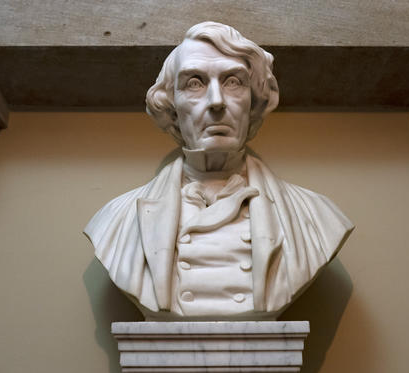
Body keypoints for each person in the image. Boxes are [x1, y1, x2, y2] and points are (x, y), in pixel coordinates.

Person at [84, 21, 353, 320]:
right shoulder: (118, 219)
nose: (216, 102)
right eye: (194, 83)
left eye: (233, 82)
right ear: (172, 108)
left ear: (254, 102)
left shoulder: (314, 217)